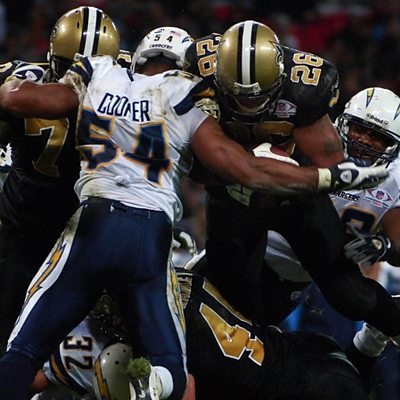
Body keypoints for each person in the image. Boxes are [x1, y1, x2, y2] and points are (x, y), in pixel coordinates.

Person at [0, 24, 386, 400]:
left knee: (24, 351)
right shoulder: (185, 97)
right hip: (150, 236)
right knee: (171, 367)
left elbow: (21, 99)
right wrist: (324, 178)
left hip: (92, 223)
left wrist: (14, 81)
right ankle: (152, 384)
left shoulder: (98, 72)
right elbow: (248, 170)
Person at [184, 20, 400, 339]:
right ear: (343, 122)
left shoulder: (389, 174)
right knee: (220, 307)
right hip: (254, 221)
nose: (365, 141)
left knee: (349, 296)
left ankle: (382, 334)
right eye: (359, 129)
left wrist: (383, 245)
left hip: (299, 257)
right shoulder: (196, 71)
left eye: (378, 138)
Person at [29, 268, 369, 400]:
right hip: (311, 354)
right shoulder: (179, 277)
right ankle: (371, 341)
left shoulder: (152, 330)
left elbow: (185, 388)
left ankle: (371, 341)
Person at [0, 5, 121, 356]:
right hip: (35, 229)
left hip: (83, 233)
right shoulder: (128, 82)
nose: (77, 80)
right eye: (70, 69)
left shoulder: (18, 83)